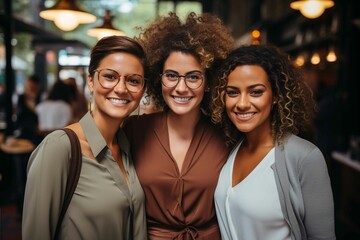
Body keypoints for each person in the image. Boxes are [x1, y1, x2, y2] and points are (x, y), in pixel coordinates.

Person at [22, 36, 148, 240]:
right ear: (91, 81)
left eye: (133, 80)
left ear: (142, 89)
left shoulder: (127, 146)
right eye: (110, 76)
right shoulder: (60, 148)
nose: (121, 88)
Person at [123, 12, 234, 239]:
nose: (181, 88)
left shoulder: (227, 134)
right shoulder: (133, 130)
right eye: (172, 75)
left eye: (193, 77)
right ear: (158, 78)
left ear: (209, 82)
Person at [211, 45, 335, 240]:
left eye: (256, 92)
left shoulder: (304, 157)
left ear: (276, 95)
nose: (242, 103)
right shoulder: (232, 148)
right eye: (233, 92)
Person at [14, 74, 42, 145]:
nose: (30, 87)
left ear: (37, 85)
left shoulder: (41, 97)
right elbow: (19, 113)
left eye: (32, 84)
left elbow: (40, 113)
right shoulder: (22, 97)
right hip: (24, 127)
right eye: (29, 84)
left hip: (36, 128)